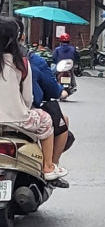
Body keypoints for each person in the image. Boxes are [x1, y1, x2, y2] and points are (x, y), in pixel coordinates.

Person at [0, 18, 66, 180]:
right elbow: (28, 99)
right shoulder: (22, 63)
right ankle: (49, 167)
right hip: (17, 120)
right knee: (47, 120)